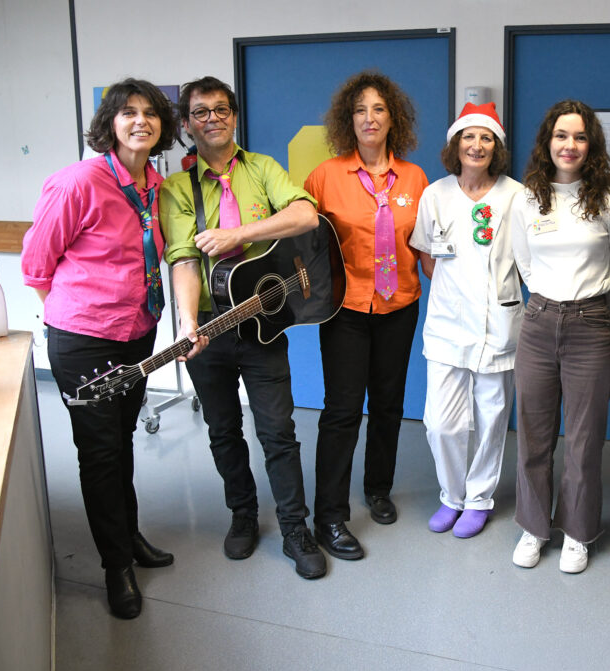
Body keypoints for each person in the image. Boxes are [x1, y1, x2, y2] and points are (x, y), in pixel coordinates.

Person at [159, 76, 327, 580]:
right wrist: (189, 323)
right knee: (223, 430)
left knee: (278, 432)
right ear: (187, 124)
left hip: (261, 326)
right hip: (210, 325)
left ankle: (295, 528)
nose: (212, 118)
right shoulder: (176, 189)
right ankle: (244, 514)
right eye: (200, 112)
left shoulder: (262, 168)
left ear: (233, 116)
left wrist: (240, 232)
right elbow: (183, 259)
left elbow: (306, 215)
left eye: (221, 109)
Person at [21, 78, 177, 618]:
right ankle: (116, 567)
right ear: (110, 122)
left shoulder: (157, 186)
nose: (141, 121)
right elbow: (35, 265)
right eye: (128, 112)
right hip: (83, 340)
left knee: (122, 440)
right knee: (101, 452)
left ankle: (128, 536)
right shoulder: (78, 182)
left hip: (138, 331)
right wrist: (73, 319)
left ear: (162, 126)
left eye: (151, 113)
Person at [507, 99, 610, 573]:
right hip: (538, 323)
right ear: (548, 141)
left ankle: (578, 532)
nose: (570, 145)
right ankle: (534, 526)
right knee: (533, 436)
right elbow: (524, 264)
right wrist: (550, 302)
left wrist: (593, 317)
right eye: (561, 135)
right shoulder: (526, 200)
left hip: (591, 326)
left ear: (591, 145)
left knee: (584, 440)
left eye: (580, 137)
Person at [306, 71, 428, 559]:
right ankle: (329, 516)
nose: (370, 118)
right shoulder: (325, 176)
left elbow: (428, 246)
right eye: (360, 110)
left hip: (399, 306)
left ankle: (378, 488)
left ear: (393, 118)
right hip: (346, 309)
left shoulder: (416, 179)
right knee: (341, 411)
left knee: (388, 404)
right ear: (348, 120)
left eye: (379, 109)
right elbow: (304, 244)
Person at [410, 103, 523, 539]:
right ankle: (451, 495)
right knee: (441, 423)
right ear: (455, 144)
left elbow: (527, 259)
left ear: (496, 147)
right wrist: (458, 290)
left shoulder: (516, 196)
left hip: (499, 324)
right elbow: (427, 256)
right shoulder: (435, 194)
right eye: (469, 137)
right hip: (447, 323)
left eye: (486, 138)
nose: (477, 145)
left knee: (492, 418)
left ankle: (478, 500)